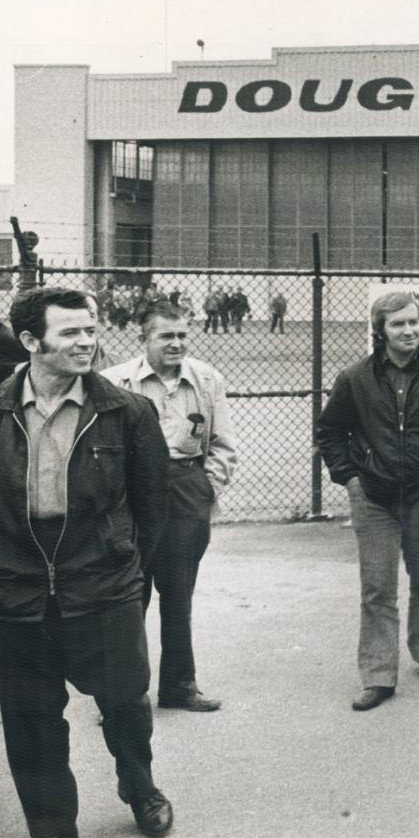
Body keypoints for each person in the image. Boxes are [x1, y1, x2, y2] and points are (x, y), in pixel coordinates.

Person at [0, 287, 175, 838]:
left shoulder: (126, 411)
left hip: (102, 579)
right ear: (30, 342)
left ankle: (140, 790)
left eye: (90, 330)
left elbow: (151, 505)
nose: (86, 341)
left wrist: (125, 565)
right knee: (30, 715)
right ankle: (51, 826)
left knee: (125, 702)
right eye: (70, 332)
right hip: (14, 584)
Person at [315, 291, 419, 711]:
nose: (408, 330)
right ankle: (378, 674)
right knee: (377, 587)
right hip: (373, 497)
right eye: (398, 324)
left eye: (413, 322)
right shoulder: (355, 378)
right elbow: (330, 431)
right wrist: (350, 480)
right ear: (380, 331)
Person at [102, 300, 238, 713]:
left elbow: (222, 445)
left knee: (179, 594)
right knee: (129, 595)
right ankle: (125, 692)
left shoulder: (206, 379)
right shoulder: (114, 381)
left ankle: (180, 685)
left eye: (182, 335)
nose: (177, 343)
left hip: (184, 489)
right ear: (143, 338)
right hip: (131, 492)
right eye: (166, 336)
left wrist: (203, 488)